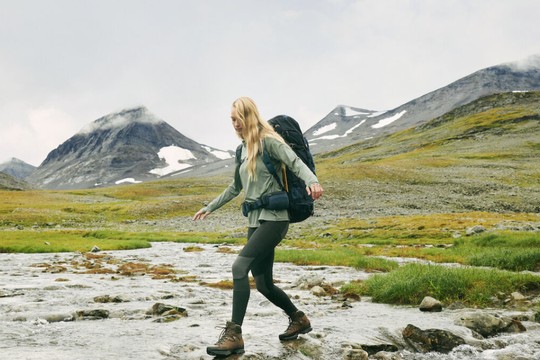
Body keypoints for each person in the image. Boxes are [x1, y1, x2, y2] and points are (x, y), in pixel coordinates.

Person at [193, 97, 324, 357]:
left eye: (237, 118)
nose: (234, 124)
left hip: (275, 220)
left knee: (239, 267)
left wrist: (313, 182)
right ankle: (298, 318)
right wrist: (210, 206)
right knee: (263, 284)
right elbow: (235, 188)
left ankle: (234, 335)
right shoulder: (242, 151)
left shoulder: (270, 141)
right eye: (231, 119)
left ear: (249, 115)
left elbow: (296, 163)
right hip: (255, 220)